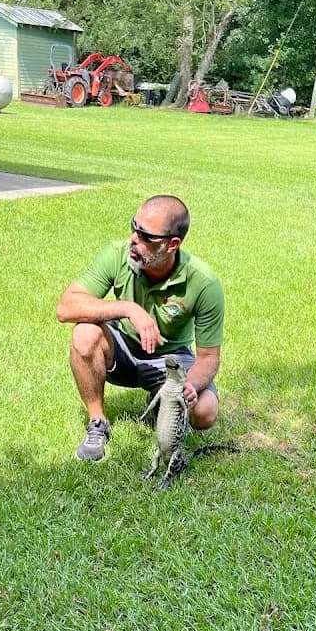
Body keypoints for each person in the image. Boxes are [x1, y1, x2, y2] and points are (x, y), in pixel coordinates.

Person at [57, 195, 225, 462]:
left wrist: (190, 385)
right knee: (84, 333)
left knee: (205, 412)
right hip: (122, 349)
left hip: (170, 359)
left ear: (173, 244)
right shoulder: (117, 254)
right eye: (134, 228)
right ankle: (97, 423)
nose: (135, 239)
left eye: (147, 236)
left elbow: (208, 357)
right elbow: (66, 308)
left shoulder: (203, 283)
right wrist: (128, 308)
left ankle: (162, 400)